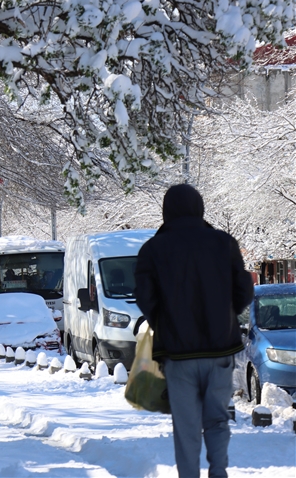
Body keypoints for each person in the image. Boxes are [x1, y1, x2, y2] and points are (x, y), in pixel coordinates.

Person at [134, 184, 254, 478]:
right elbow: (244, 291)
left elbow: (144, 298)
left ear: (167, 211)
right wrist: (225, 315)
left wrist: (164, 320)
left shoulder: (152, 249)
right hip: (221, 349)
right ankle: (219, 473)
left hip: (178, 355)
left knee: (186, 426)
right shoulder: (223, 243)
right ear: (200, 208)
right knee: (217, 420)